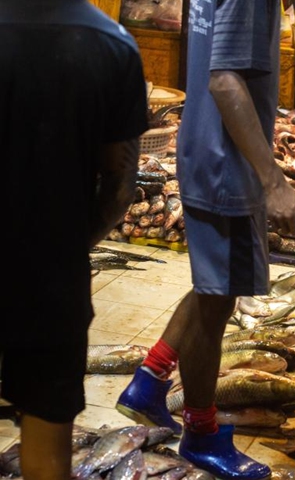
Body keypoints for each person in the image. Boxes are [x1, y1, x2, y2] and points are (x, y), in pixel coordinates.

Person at [115, 0, 295, 478]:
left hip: (208, 149)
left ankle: (150, 379)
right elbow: (225, 81)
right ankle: (201, 434)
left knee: (214, 285)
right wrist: (273, 181)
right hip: (228, 166)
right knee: (219, 298)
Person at [1, 1, 148, 478]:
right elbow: (120, 183)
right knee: (46, 449)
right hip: (52, 284)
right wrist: (66, 246)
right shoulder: (113, 45)